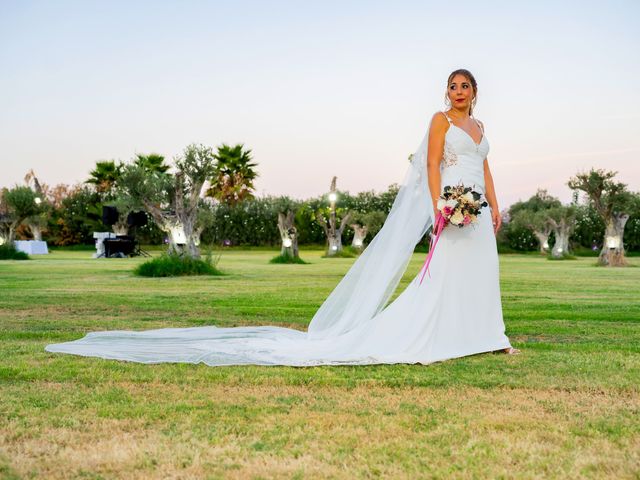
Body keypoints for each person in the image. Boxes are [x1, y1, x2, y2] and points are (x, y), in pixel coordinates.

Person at [45, 68, 520, 366]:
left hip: (478, 209)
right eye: (451, 86)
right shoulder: (440, 122)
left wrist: (495, 206)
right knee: (444, 277)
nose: (457, 92)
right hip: (452, 204)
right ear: (448, 93)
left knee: (481, 272)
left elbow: (485, 165)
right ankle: (444, 335)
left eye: (464, 86)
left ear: (475, 93)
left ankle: (487, 335)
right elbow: (433, 165)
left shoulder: (480, 127)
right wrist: (440, 206)